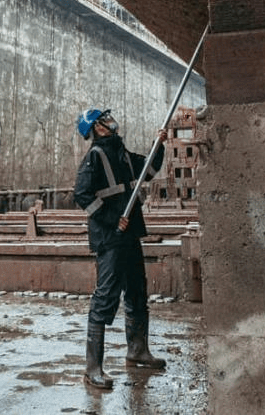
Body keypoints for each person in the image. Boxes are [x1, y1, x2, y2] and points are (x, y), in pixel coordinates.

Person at [72, 107, 168, 390]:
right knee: (105, 298)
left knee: (137, 291)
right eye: (104, 119)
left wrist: (158, 145)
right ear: (97, 128)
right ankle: (93, 369)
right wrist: (114, 219)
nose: (111, 121)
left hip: (130, 236)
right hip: (110, 238)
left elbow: (148, 170)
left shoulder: (122, 153)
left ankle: (137, 351)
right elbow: (82, 195)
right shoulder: (95, 156)